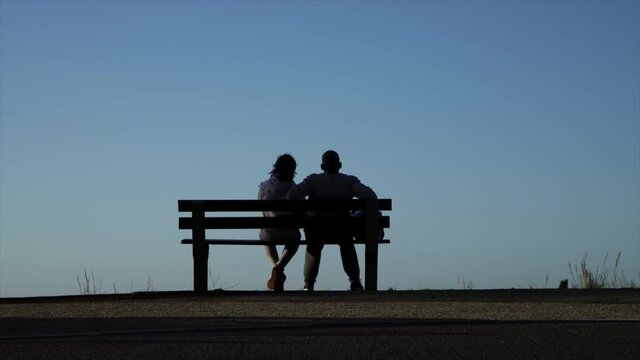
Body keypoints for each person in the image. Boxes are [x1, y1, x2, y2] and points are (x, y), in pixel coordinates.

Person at [288, 150, 377, 291]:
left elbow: (292, 195)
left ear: (322, 167)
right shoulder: (349, 181)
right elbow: (371, 195)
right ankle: (355, 281)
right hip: (342, 230)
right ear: (340, 165)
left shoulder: (312, 180)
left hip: (316, 230)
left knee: (313, 246)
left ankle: (308, 283)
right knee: (347, 244)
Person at [258, 154, 301, 291]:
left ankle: (275, 268)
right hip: (290, 232)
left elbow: (260, 207)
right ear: (293, 171)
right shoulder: (296, 188)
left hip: (269, 232)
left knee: (265, 239)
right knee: (294, 241)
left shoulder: (264, 186)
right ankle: (279, 267)